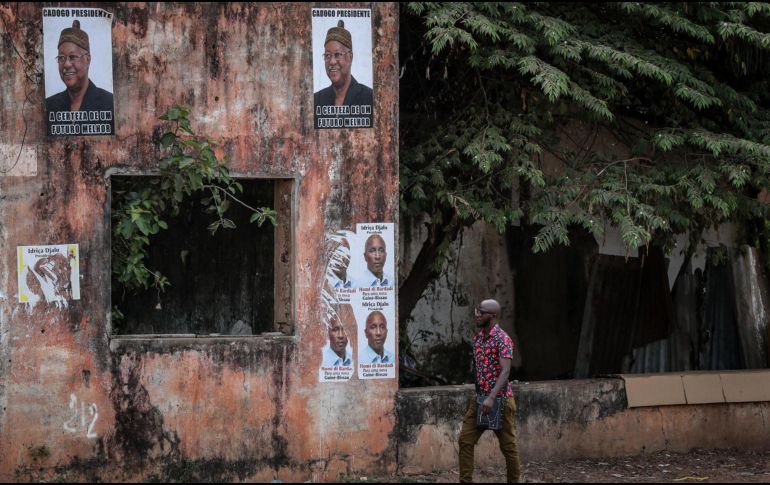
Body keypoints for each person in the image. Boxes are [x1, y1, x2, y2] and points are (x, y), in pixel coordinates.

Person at [458, 299, 521, 483]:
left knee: (508, 447)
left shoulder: (502, 339)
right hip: (480, 400)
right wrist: (480, 395)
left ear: (492, 316)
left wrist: (491, 398)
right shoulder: (478, 338)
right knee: (465, 440)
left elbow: (505, 371)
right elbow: (478, 369)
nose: (477, 314)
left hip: (500, 400)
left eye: (482, 312)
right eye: (477, 311)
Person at [45, 20, 114, 134]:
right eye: (61, 58)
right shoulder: (49, 106)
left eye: (72, 57)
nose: (66, 64)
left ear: (88, 60)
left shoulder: (109, 104)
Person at [314, 20, 373, 109]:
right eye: (327, 55)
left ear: (350, 57)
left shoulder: (370, 97)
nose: (332, 61)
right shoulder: (316, 100)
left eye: (337, 54)